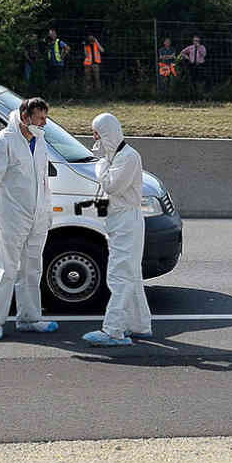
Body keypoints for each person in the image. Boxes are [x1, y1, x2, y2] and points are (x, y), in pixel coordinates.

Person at [0, 97, 60, 340]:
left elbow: (43, 181)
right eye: (40, 118)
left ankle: (30, 318)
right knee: (6, 268)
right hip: (12, 216)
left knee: (32, 269)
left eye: (45, 118)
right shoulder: (4, 141)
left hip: (37, 217)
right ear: (25, 117)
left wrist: (47, 211)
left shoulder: (39, 141)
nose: (44, 123)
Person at [82, 113, 153, 346]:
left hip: (126, 221)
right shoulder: (115, 157)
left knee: (119, 275)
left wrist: (100, 165)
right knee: (131, 274)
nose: (95, 138)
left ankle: (113, 330)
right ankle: (140, 325)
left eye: (97, 133)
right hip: (119, 221)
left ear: (107, 133)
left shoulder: (128, 157)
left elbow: (112, 186)